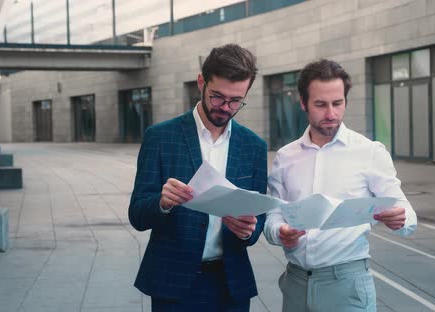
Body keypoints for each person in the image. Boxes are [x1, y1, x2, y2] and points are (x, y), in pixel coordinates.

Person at [264, 59, 417, 311]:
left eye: (338, 103)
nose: (331, 114)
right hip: (296, 284)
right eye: (320, 105)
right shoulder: (285, 157)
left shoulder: (369, 152)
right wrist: (279, 231)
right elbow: (273, 214)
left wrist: (401, 218)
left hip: (347, 285)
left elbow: (404, 210)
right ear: (302, 103)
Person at [129, 43, 267, 311]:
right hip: (173, 284)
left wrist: (249, 230)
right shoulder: (160, 137)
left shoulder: (254, 147)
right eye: (217, 96)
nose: (225, 107)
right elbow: (137, 214)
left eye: (236, 100)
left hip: (231, 285)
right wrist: (162, 202)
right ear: (201, 82)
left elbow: (257, 218)